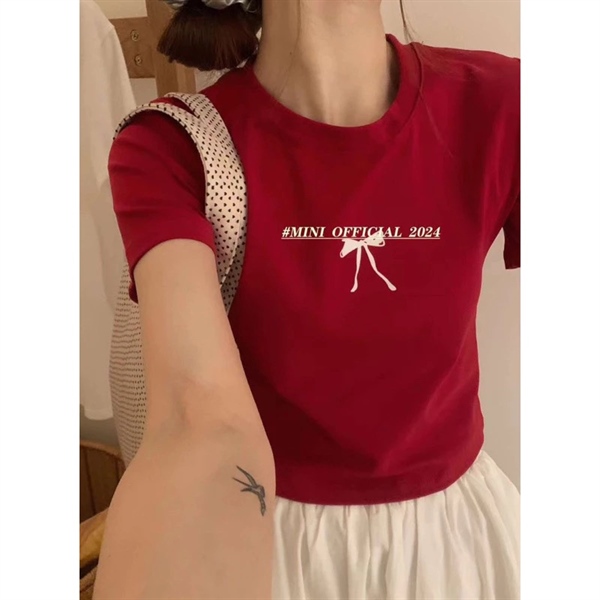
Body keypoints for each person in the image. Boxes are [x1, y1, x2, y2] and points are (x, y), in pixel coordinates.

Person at [93, 0, 520, 598]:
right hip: (270, 543)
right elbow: (198, 416)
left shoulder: (503, 104)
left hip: (455, 545)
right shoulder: (170, 146)